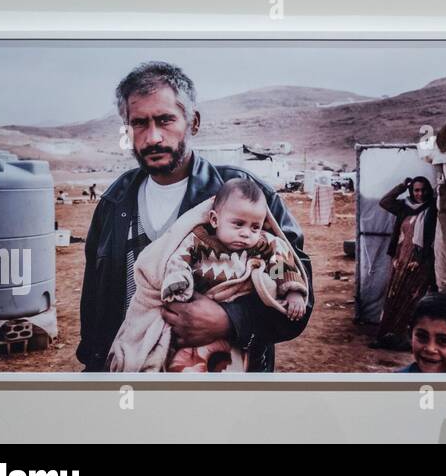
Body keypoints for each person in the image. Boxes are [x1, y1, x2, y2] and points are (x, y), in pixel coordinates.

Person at [76, 61, 312, 372]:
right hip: (131, 377)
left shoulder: (244, 197)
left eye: (165, 120)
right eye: (139, 124)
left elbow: (295, 289)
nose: (153, 137)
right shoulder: (115, 200)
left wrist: (231, 321)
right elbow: (95, 302)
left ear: (193, 122)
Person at [373, 176, 437, 350]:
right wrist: (402, 186)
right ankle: (384, 336)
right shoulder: (404, 207)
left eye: (423, 190)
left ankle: (405, 339)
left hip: (421, 260)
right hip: (401, 258)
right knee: (393, 296)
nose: (420, 194)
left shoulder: (433, 208)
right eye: (416, 190)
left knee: (413, 298)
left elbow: (434, 239)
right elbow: (385, 202)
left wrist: (421, 259)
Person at [399, 293, 446, 374]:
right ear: (410, 334)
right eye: (422, 336)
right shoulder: (396, 382)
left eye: (443, 341)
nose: (430, 349)